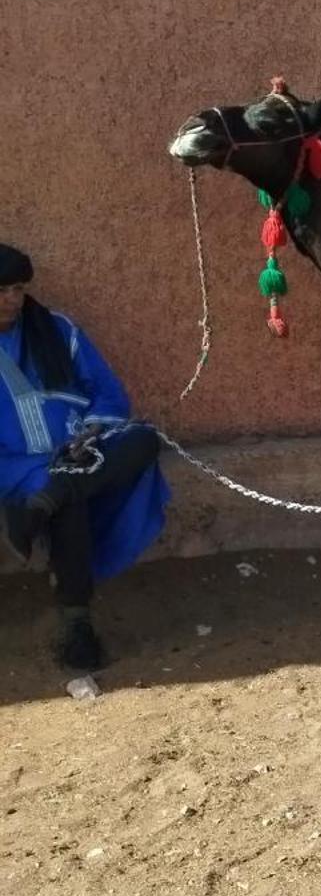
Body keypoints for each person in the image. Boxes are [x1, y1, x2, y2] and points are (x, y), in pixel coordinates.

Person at [0, 242, 168, 671]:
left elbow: (109, 395)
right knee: (66, 494)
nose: (11, 300)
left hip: (80, 451)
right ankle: (76, 623)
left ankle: (54, 494)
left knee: (143, 440)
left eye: (17, 289)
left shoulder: (56, 329)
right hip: (14, 464)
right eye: (0, 291)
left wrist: (94, 428)